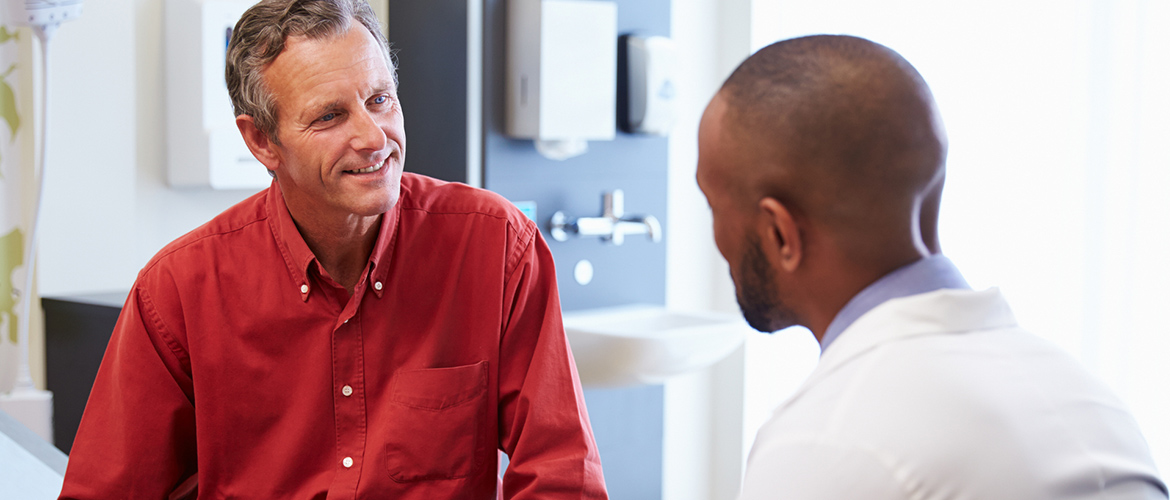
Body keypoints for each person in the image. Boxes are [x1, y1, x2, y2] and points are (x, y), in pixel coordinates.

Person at [58, 0, 607, 498]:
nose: (373, 137)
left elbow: (563, 476)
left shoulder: (496, 246)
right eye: (329, 116)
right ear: (261, 141)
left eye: (379, 99)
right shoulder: (178, 291)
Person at [697, 34, 1168, 499]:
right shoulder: (1090, 404)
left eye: (712, 205)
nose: (714, 238)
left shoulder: (827, 443)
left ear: (780, 234)